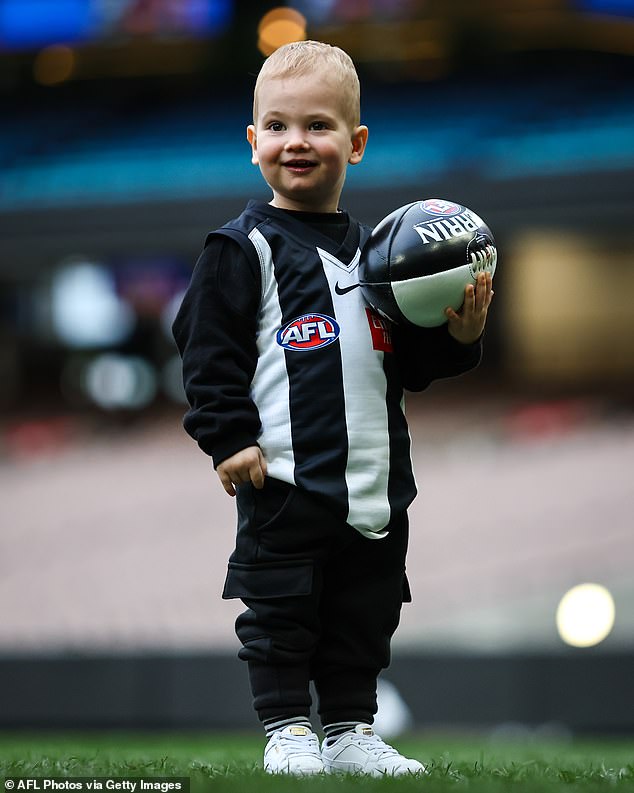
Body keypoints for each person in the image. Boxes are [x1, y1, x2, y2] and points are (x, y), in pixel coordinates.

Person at [173, 40, 493, 776]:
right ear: (253, 142)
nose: (297, 141)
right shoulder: (241, 247)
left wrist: (460, 337)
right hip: (283, 473)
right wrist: (227, 438)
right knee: (281, 611)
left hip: (376, 479)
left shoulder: (384, 252)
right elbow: (204, 349)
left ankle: (350, 729)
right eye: (278, 126)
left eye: (318, 126)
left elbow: (409, 366)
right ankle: (287, 729)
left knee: (364, 613)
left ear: (357, 143)